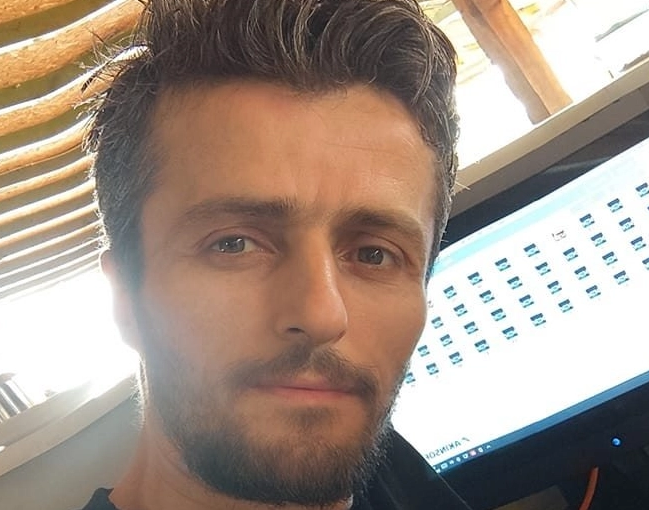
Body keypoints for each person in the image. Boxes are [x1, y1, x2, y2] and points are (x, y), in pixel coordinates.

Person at [81, 0, 469, 509]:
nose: (323, 316)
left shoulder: (395, 474)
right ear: (125, 300)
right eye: (234, 244)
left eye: (374, 255)